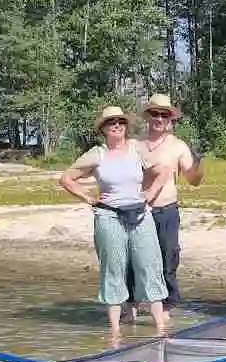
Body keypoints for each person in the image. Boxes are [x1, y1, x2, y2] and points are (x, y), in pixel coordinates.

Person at [58, 106, 172, 339]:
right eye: (111, 122)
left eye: (120, 121)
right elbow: (66, 179)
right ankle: (115, 334)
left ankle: (160, 329)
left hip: (140, 215)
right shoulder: (96, 154)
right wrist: (89, 198)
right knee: (113, 271)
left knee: (150, 267)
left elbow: (163, 171)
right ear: (103, 129)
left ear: (126, 126)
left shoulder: (137, 149)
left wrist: (149, 195)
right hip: (109, 217)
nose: (117, 125)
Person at [122, 93, 203, 319]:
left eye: (164, 115)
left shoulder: (178, 146)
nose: (159, 118)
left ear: (170, 119)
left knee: (168, 258)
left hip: (166, 210)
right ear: (148, 116)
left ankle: (166, 306)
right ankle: (132, 305)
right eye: (155, 114)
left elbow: (194, 180)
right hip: (137, 210)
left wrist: (198, 162)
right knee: (133, 259)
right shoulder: (134, 145)